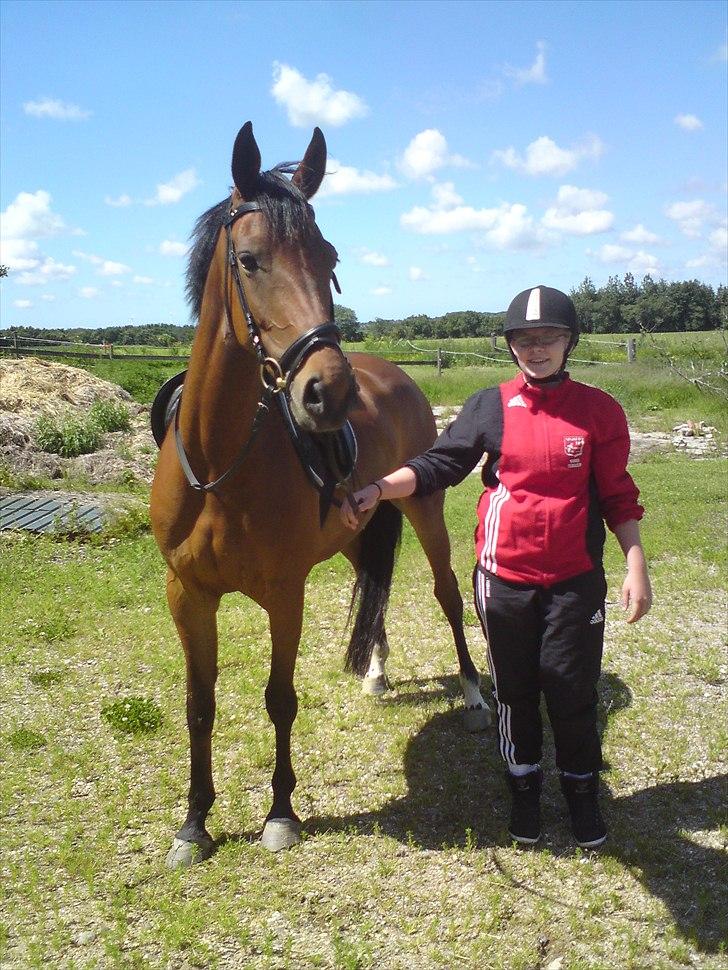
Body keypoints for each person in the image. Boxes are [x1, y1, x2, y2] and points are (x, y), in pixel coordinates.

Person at [341, 285, 652, 848]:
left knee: (572, 690)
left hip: (575, 579)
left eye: (549, 337)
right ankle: (524, 788)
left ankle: (582, 792)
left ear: (569, 341)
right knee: (513, 689)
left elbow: (617, 494)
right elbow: (439, 464)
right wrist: (378, 489)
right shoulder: (490, 405)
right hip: (503, 578)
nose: (537, 349)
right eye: (525, 339)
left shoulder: (598, 410)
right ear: (511, 346)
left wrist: (636, 565)